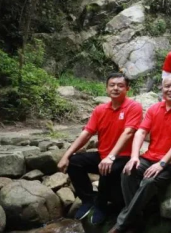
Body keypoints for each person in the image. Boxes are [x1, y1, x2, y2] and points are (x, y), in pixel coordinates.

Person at [109, 74, 171, 233]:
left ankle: (121, 224)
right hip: (150, 157)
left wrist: (162, 163)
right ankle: (136, 219)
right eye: (167, 86)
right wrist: (134, 157)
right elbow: (141, 132)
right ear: (162, 88)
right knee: (127, 172)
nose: (170, 89)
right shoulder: (154, 109)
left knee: (149, 182)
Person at [57, 73, 142, 225]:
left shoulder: (133, 107)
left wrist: (111, 156)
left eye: (120, 85)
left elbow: (128, 132)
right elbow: (87, 133)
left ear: (127, 89)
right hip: (103, 155)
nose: (115, 88)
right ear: (106, 88)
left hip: (123, 157)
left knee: (108, 168)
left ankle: (101, 205)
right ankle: (88, 199)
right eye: (112, 85)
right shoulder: (100, 109)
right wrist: (66, 155)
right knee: (75, 162)